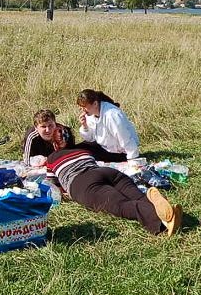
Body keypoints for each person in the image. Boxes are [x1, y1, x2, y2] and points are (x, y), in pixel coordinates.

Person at [45, 148, 182, 236]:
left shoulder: (50, 160)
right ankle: (166, 208)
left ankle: (164, 221)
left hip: (82, 182)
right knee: (139, 197)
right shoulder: (84, 151)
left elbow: (54, 188)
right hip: (106, 172)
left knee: (121, 204)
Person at [76, 89, 140, 163]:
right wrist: (85, 126)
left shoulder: (112, 115)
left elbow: (125, 138)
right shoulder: (91, 113)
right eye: (81, 107)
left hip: (121, 153)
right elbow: (90, 139)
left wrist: (133, 158)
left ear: (95, 104)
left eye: (84, 107)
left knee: (86, 156)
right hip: (105, 147)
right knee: (78, 149)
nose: (83, 110)